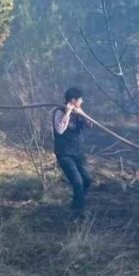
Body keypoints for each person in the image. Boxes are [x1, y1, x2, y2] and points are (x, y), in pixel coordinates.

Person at [53, 87, 94, 216]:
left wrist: (82, 114)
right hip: (65, 154)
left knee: (87, 179)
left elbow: (90, 124)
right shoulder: (59, 112)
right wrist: (68, 113)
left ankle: (77, 204)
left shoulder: (79, 111)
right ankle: (79, 211)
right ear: (73, 100)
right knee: (77, 181)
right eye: (80, 99)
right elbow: (59, 130)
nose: (82, 101)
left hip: (78, 152)